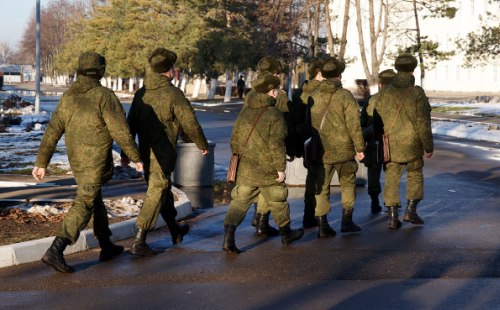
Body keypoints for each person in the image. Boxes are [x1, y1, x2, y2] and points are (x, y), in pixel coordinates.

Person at [32, 51, 144, 273]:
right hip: (96, 160)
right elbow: (120, 131)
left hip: (76, 160)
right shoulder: (104, 96)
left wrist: (42, 161)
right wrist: (136, 157)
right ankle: (57, 248)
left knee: (95, 198)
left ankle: (106, 245)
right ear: (100, 71)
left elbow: (53, 131)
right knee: (85, 201)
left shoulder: (69, 97)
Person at [122, 47, 209, 256]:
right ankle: (139, 240)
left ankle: (174, 229)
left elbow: (130, 124)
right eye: (173, 68)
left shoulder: (141, 94)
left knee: (162, 190)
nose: (175, 71)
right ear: (168, 70)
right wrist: (202, 144)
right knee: (157, 190)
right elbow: (190, 123)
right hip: (162, 153)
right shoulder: (172, 94)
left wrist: (127, 152)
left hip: (145, 152)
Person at [222, 73, 304, 254]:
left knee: (239, 201)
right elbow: (277, 144)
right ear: (272, 92)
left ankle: (228, 238)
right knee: (277, 199)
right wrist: (280, 169)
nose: (277, 94)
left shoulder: (244, 113)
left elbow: (234, 141)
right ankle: (286, 234)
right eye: (276, 91)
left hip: (246, 169)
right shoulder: (275, 115)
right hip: (268, 170)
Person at [373, 53, 433, 229]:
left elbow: (377, 119)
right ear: (412, 70)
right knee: (414, 175)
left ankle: (392, 217)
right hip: (412, 144)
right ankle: (411, 211)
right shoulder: (416, 92)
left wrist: (380, 138)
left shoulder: (385, 93)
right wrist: (428, 145)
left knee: (391, 178)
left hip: (390, 143)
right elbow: (423, 121)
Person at [310, 57, 365, 237]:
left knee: (322, 186)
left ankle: (322, 225)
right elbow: (354, 125)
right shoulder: (345, 96)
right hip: (344, 149)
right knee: (348, 183)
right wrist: (360, 147)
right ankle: (346, 221)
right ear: (339, 75)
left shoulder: (313, 95)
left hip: (321, 150)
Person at [360, 69, 396, 213]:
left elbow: (362, 121)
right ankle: (391, 204)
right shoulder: (399, 99)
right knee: (392, 174)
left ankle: (374, 202)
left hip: (374, 141)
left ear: (380, 84)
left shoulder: (372, 99)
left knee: (373, 173)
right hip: (393, 142)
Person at [294, 58, 324, 228]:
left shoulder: (301, 93)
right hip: (322, 141)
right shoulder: (323, 93)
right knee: (321, 179)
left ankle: (308, 214)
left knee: (311, 178)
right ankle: (320, 217)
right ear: (319, 74)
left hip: (307, 143)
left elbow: (296, 120)